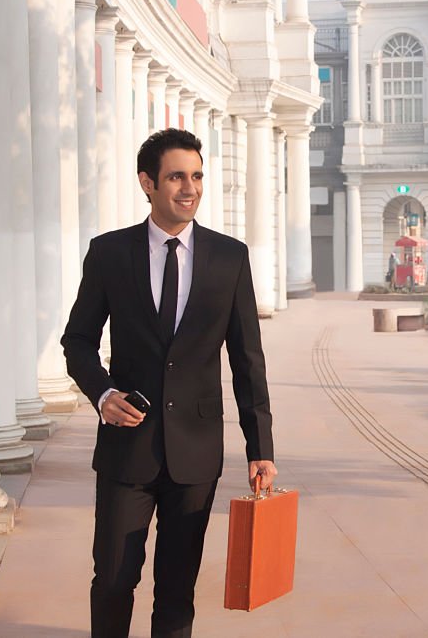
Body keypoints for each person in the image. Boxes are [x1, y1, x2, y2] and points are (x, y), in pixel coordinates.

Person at [61, 128, 276, 638]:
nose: (190, 187)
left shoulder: (229, 258)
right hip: (127, 449)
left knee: (177, 592)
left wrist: (259, 447)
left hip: (196, 454)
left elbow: (248, 359)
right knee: (113, 581)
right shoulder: (110, 253)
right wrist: (103, 394)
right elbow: (77, 342)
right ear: (147, 183)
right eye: (177, 176)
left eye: (197, 175)